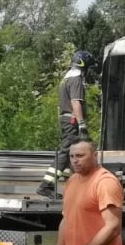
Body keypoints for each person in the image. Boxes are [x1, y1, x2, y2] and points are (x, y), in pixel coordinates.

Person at [37, 49, 94, 199]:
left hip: (66, 120)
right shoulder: (76, 79)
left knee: (73, 157)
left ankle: (77, 188)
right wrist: (82, 124)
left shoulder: (66, 78)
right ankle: (46, 185)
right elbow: (75, 102)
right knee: (66, 153)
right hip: (72, 121)